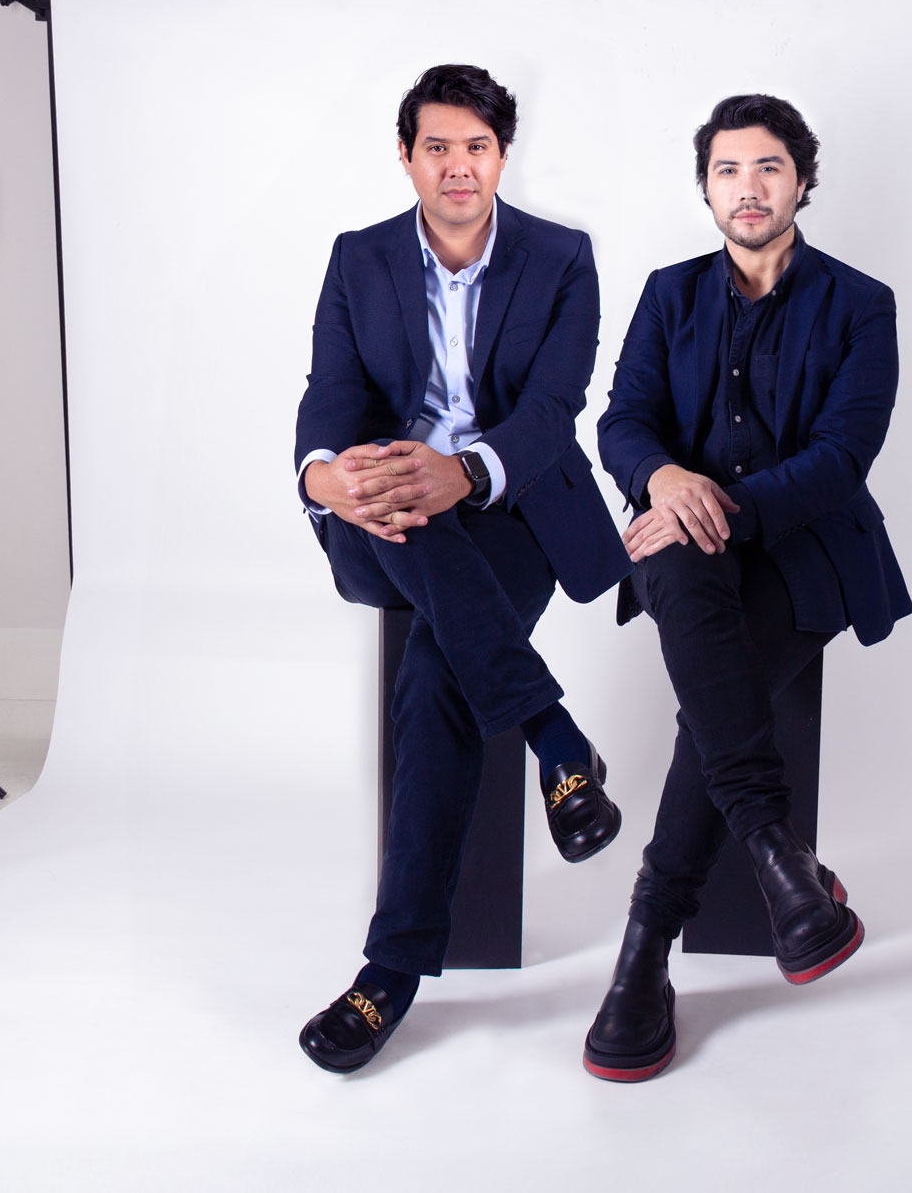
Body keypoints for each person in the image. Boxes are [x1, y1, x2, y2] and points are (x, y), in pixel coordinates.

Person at [292, 64, 630, 1073]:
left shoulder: (561, 258)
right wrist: (326, 479)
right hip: (385, 516)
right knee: (395, 488)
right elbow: (329, 395)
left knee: (439, 671)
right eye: (436, 146)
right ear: (406, 157)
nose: (457, 166)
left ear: (501, 157)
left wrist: (467, 471)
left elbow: (552, 411)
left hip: (512, 510)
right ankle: (555, 736)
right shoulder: (357, 259)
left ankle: (388, 972)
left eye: (475, 147)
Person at [585, 94, 912, 1081]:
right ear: (706, 187)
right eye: (728, 169)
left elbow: (842, 456)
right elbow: (621, 421)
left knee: (708, 714)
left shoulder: (860, 302)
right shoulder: (668, 292)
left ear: (801, 180)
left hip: (807, 551)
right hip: (682, 545)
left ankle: (644, 949)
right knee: (680, 569)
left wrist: (711, 502)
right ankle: (782, 860)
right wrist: (662, 477)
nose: (748, 186)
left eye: (768, 166)